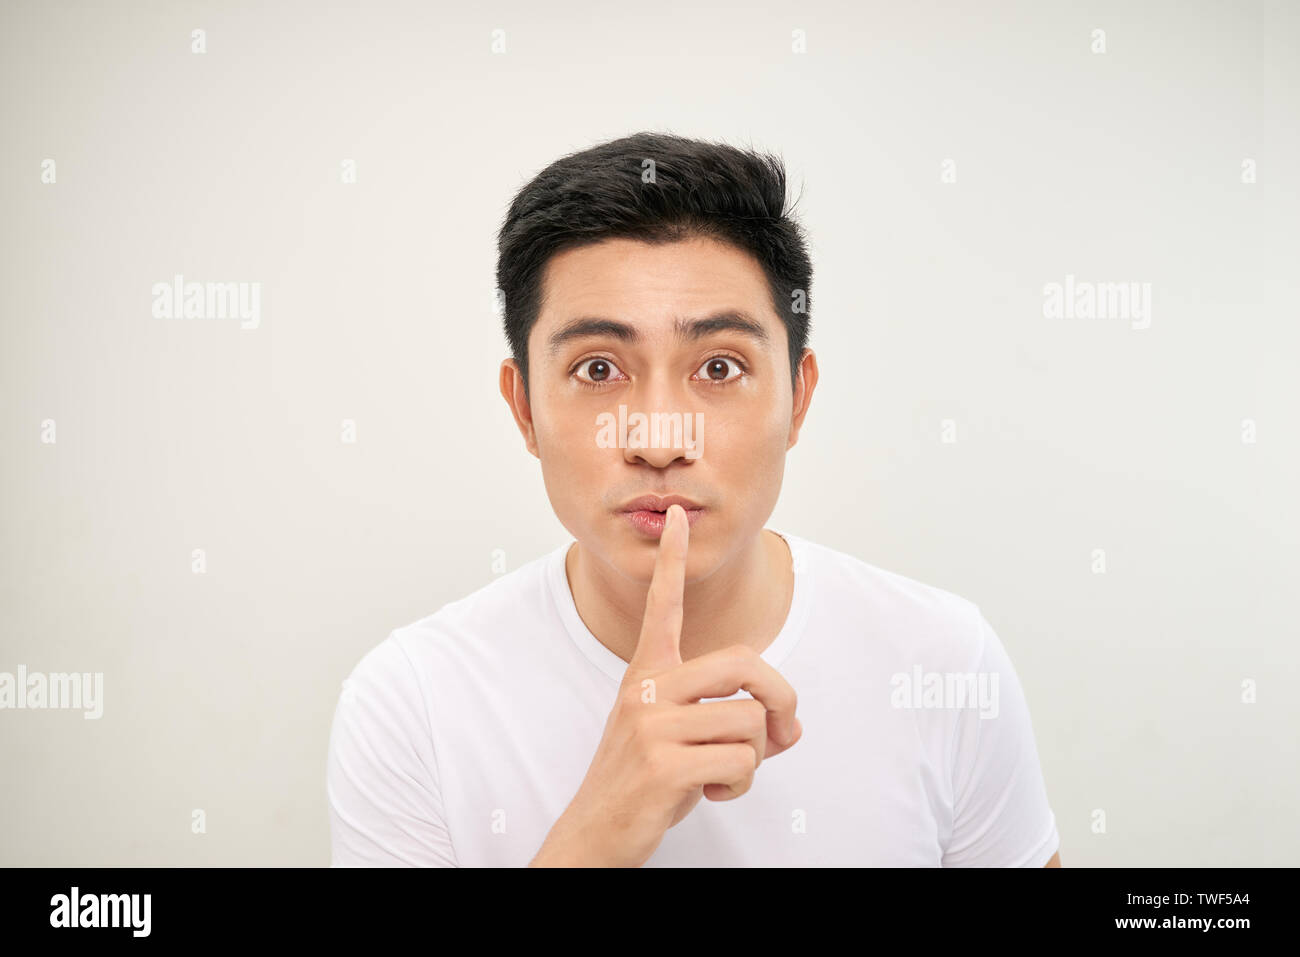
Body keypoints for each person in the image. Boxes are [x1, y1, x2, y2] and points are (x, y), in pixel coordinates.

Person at [326, 131, 1062, 867]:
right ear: (524, 410)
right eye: (598, 368)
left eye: (718, 365)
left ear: (798, 398)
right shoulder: (411, 702)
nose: (657, 437)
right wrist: (599, 832)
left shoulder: (942, 660)